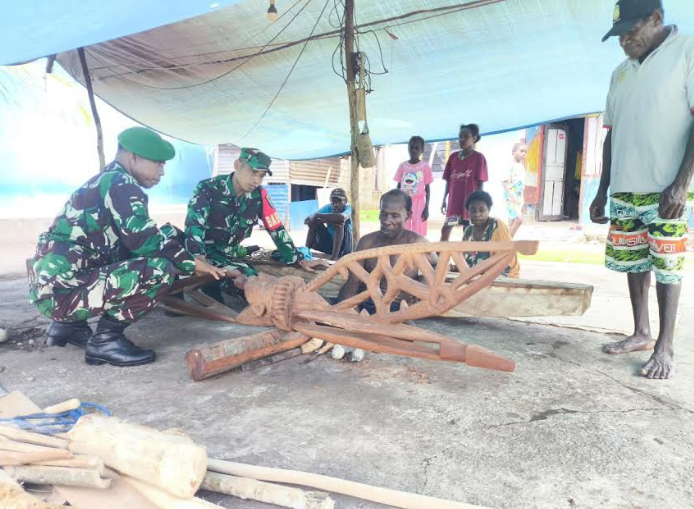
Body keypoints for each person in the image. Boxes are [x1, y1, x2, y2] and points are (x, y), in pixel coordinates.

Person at [28, 127, 226, 367]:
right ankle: (105, 341)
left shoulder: (107, 180)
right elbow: (145, 240)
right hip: (60, 295)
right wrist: (192, 263)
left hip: (55, 288)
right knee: (159, 269)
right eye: (158, 163)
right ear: (134, 157)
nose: (162, 171)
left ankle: (68, 327)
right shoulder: (122, 184)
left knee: (169, 236)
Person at [590, 0, 694, 379]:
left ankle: (665, 346)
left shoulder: (687, 52)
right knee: (633, 261)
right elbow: (610, 134)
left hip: (667, 189)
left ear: (656, 19)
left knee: (667, 266)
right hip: (624, 189)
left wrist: (681, 184)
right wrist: (601, 190)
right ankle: (641, 332)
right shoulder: (619, 73)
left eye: (630, 32)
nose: (623, 41)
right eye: (619, 35)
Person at [185, 148, 324, 300]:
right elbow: (194, 226)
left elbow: (276, 229)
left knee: (252, 282)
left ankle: (214, 285)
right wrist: (198, 258)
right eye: (253, 172)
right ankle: (209, 286)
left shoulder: (259, 196)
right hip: (205, 252)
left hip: (229, 254)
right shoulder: (209, 188)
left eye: (261, 175)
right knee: (247, 283)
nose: (256, 180)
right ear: (237, 165)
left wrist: (299, 259)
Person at [337, 189, 436, 314]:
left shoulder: (417, 243)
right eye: (383, 214)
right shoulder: (367, 243)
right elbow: (353, 282)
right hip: (367, 304)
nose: (387, 220)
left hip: (398, 308)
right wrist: (347, 310)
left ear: (408, 215)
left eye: (395, 215)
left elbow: (437, 264)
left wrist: (424, 283)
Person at [440, 124, 488, 241]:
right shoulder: (453, 157)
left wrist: (479, 203)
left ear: (474, 138)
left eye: (465, 137)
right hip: (454, 205)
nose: (461, 140)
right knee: (446, 228)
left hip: (469, 205)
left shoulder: (479, 158)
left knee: (468, 231)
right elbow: (448, 181)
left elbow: (480, 183)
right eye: (460, 137)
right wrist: (444, 199)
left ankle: (466, 253)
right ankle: (441, 252)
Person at [461, 191, 520, 278]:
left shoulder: (496, 226)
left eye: (481, 210)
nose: (477, 214)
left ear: (488, 210)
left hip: (503, 276)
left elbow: (506, 262)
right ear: (468, 212)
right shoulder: (468, 231)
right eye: (473, 210)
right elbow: (463, 262)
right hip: (476, 278)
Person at [393, 136, 433, 236]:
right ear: (408, 148)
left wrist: (426, 207)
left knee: (418, 229)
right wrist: (397, 204)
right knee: (403, 227)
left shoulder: (425, 166)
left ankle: (418, 246)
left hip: (419, 203)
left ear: (422, 150)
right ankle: (405, 245)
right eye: (411, 147)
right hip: (404, 202)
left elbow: (427, 189)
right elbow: (398, 186)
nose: (414, 150)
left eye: (417, 148)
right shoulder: (403, 166)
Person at [304, 188, 353, 260]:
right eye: (333, 201)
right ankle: (306, 251)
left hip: (345, 248)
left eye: (339, 201)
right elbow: (307, 220)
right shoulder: (328, 207)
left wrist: (319, 216)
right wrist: (319, 220)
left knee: (338, 222)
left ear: (345, 201)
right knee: (314, 222)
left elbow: (341, 218)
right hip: (330, 245)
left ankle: (334, 257)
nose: (336, 204)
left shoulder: (349, 208)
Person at [503, 142, 527, 236]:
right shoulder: (510, 165)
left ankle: (505, 241)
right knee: (518, 219)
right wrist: (511, 196)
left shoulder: (521, 166)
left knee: (512, 221)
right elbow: (504, 182)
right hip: (511, 197)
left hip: (519, 198)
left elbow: (522, 185)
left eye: (525, 152)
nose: (524, 153)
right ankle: (507, 241)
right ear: (513, 152)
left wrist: (523, 201)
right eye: (521, 151)